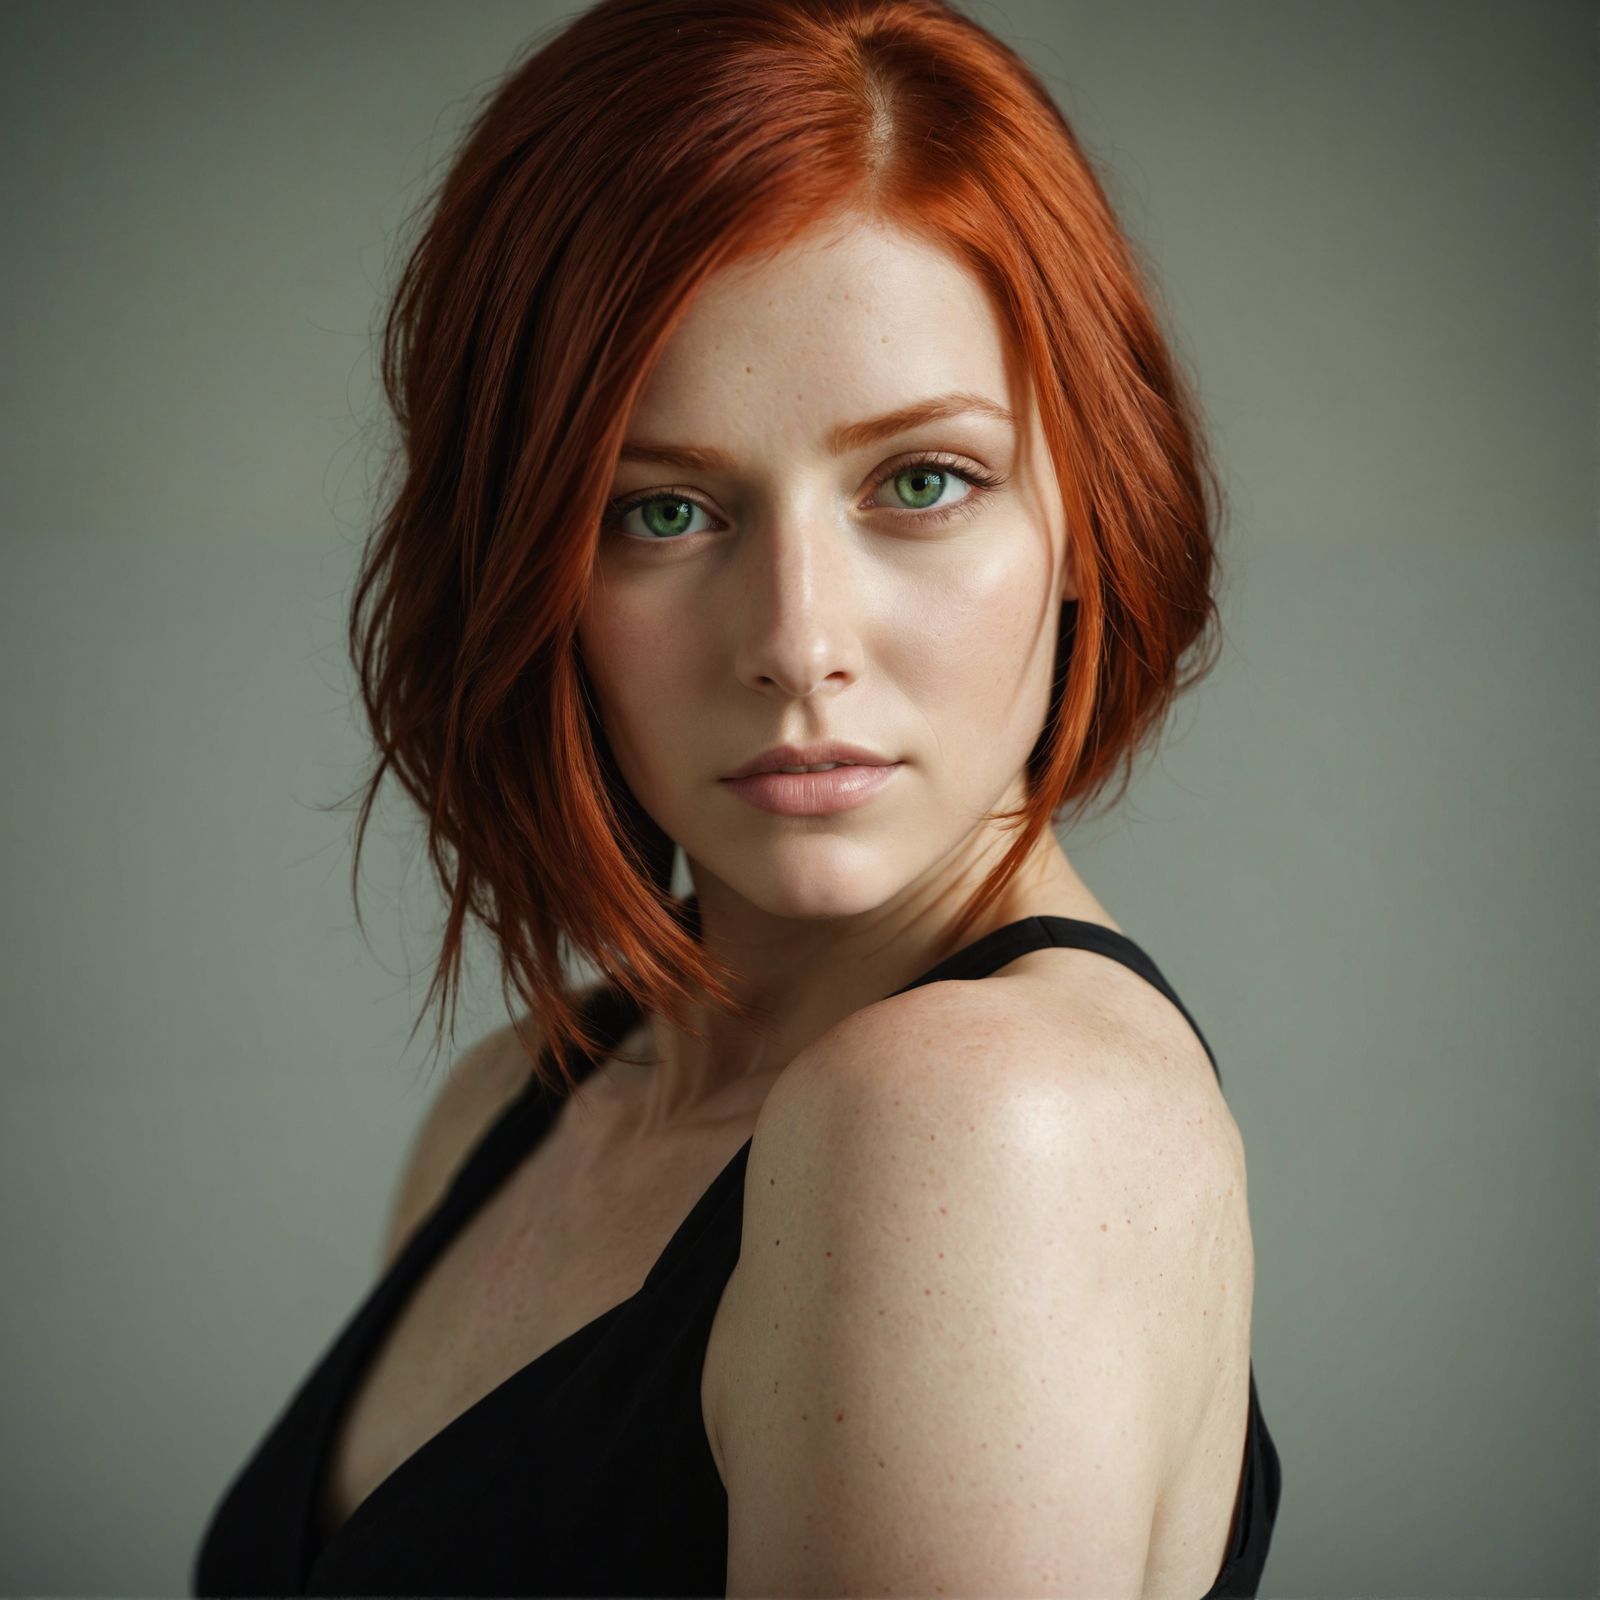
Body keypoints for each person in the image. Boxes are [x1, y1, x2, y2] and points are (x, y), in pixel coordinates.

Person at [193, 0, 1282, 1594]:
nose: (797, 644)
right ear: (528, 563)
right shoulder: (521, 1102)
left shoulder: (975, 1126)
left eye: (922, 481)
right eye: (664, 509)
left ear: (1087, 510)